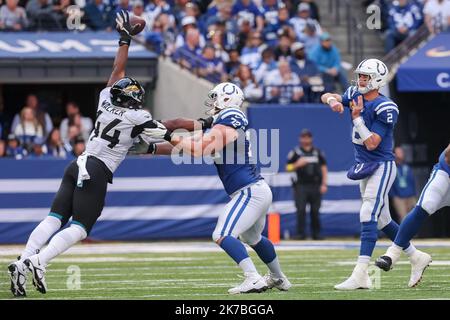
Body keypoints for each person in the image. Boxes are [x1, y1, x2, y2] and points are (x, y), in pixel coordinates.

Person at [7, 10, 163, 297]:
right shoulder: (136, 117)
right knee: (80, 227)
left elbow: (117, 73)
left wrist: (124, 40)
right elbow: (166, 132)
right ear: (134, 100)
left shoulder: (105, 101)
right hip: (97, 169)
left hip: (77, 163)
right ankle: (37, 261)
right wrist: (198, 131)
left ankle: (22, 260)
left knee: (54, 217)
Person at [142, 82, 291, 295]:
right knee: (253, 239)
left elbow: (200, 150)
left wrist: (166, 134)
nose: (212, 102)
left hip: (249, 191)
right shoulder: (221, 124)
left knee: (222, 233)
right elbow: (186, 144)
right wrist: (152, 147)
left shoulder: (232, 118)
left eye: (215, 97)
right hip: (255, 189)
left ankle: (253, 278)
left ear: (226, 99)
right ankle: (278, 278)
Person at [321, 58, 421, 290]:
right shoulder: (355, 93)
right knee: (384, 219)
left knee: (368, 212)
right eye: (361, 75)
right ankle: (416, 256)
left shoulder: (386, 107)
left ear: (377, 79)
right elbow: (326, 95)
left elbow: (372, 143)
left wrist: (356, 118)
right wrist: (333, 102)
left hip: (381, 165)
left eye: (365, 76)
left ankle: (361, 274)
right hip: (363, 166)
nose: (361, 80)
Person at [375, 144, 449, 286]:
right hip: (446, 174)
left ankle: (415, 258)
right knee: (425, 206)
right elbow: (447, 155)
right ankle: (392, 254)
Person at [286, 129, 327, 240]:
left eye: (308, 137)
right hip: (300, 186)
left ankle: (316, 234)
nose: (306, 139)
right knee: (301, 210)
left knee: (315, 210)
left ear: (311, 138)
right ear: (300, 139)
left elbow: (324, 168)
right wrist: (297, 165)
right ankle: (300, 234)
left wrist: (324, 183)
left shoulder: (317, 152)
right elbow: (287, 168)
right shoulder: (295, 152)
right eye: (303, 137)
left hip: (315, 185)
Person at [389, 146, 417, 221]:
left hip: (410, 196)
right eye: (398, 152)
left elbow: (412, 181)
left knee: (413, 218)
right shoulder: (391, 167)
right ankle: (405, 233)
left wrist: (413, 194)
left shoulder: (407, 166)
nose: (400, 154)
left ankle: (414, 233)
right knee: (403, 218)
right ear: (394, 154)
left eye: (401, 152)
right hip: (398, 197)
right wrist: (394, 196)